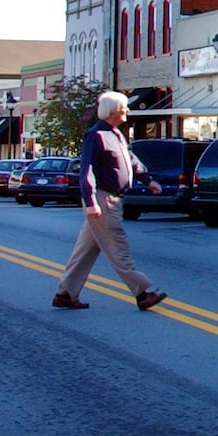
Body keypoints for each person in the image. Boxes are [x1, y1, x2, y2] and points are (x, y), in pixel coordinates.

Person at [51, 91, 169, 312]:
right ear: (114, 110)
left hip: (112, 199)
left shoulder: (116, 134)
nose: (127, 111)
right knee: (118, 247)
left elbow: (131, 162)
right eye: (125, 107)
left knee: (85, 250)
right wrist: (91, 201)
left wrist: (147, 180)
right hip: (103, 199)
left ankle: (65, 293)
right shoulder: (95, 136)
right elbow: (86, 171)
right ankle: (143, 293)